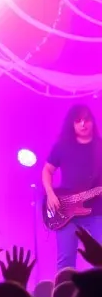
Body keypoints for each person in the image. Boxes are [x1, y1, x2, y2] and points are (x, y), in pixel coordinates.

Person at [42, 104, 102, 270]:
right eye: (78, 121)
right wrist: (51, 194)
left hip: (97, 211)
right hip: (66, 211)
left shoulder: (100, 146)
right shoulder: (62, 146)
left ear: (93, 122)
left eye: (86, 120)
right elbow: (47, 170)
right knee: (65, 262)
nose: (83, 124)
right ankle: (63, 295)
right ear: (72, 124)